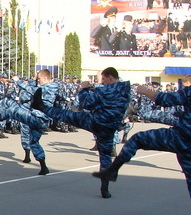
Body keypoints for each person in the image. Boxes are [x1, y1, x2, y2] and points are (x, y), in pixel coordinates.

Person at [92, 59, 191, 215]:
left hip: (179, 136)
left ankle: (112, 170)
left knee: (137, 139)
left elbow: (165, 99)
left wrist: (145, 91)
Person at [33, 67, 130, 198]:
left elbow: (86, 103)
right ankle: (105, 189)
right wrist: (96, 90)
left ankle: (41, 107)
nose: (102, 83)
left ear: (110, 77)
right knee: (105, 156)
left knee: (67, 115)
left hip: (96, 122)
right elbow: (106, 99)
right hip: (110, 127)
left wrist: (84, 88)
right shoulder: (125, 89)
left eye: (103, 80)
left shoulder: (108, 90)